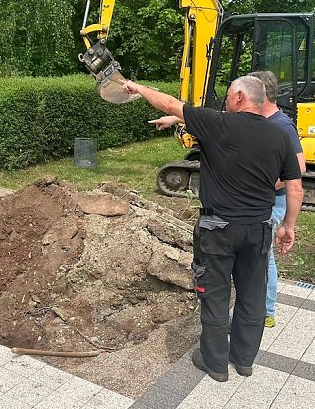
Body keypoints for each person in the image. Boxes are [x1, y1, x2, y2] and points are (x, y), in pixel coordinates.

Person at [123, 76, 303, 382]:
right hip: (259, 228)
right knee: (252, 294)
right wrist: (288, 226)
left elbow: (170, 102)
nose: (226, 101)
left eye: (230, 95)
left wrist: (137, 88)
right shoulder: (280, 135)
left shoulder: (219, 124)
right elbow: (295, 188)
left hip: (218, 229)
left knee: (216, 294)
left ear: (239, 97)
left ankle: (215, 363)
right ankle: (244, 360)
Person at [249, 71, 306, 329]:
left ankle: (266, 312)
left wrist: (266, 183)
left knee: (264, 257)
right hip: (261, 200)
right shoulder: (258, 120)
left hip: (273, 201)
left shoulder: (281, 125)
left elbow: (300, 166)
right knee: (258, 255)